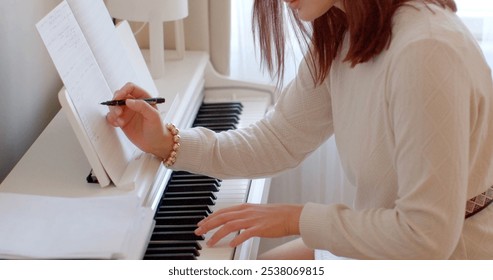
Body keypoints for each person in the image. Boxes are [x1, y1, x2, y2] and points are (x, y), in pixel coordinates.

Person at [106, 0, 493, 259]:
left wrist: (295, 219)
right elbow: (277, 140)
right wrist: (167, 141)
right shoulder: (345, 33)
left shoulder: (424, 50)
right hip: (388, 242)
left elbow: (425, 239)